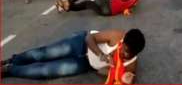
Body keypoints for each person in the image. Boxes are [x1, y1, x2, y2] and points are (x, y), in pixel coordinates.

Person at [1, 29, 145, 84]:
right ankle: (14, 60)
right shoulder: (117, 36)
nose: (124, 54)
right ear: (124, 41)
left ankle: (8, 70)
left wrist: (117, 74)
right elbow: (90, 38)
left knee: (46, 71)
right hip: (80, 43)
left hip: (86, 64)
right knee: (43, 54)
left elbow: (102, 72)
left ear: (135, 54)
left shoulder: (131, 66)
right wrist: (102, 56)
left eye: (128, 54)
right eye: (124, 49)